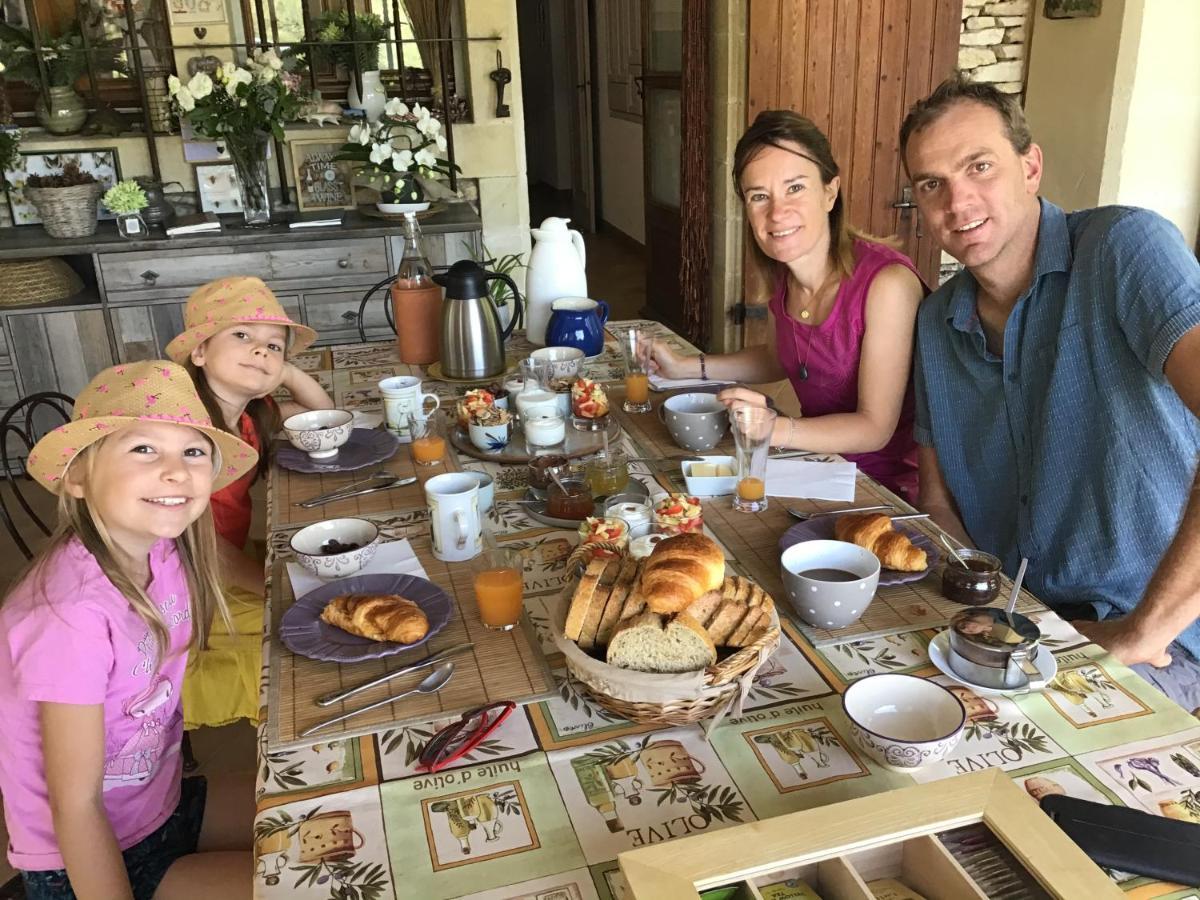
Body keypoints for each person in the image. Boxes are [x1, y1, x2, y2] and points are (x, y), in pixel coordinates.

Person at [901, 74, 1200, 710]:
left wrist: (1142, 631)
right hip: (1016, 625)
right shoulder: (937, 320)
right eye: (932, 184)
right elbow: (937, 497)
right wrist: (971, 611)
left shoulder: (1124, 249)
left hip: (1168, 641)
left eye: (979, 166)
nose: (958, 202)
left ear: (1030, 166)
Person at [0, 360, 260, 899]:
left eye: (193, 451)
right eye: (144, 449)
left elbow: (231, 567)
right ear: (77, 475)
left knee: (321, 814)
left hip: (160, 805)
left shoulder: (162, 548)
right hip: (89, 861)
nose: (176, 470)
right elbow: (75, 807)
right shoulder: (68, 615)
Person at [643, 110, 927, 502]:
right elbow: (781, 357)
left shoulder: (888, 285)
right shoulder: (786, 273)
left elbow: (874, 428)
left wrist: (775, 429)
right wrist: (686, 367)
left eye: (795, 188)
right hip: (812, 466)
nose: (777, 213)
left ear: (830, 192)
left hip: (881, 491)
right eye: (759, 196)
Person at [166, 276, 334, 730]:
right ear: (199, 352)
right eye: (242, 335)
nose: (260, 351)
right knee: (300, 646)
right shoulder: (187, 433)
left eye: (274, 345)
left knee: (324, 583)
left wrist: (288, 374)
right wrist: (271, 590)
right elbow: (200, 551)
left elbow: (323, 420)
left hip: (221, 565)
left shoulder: (247, 414)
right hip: (180, 588)